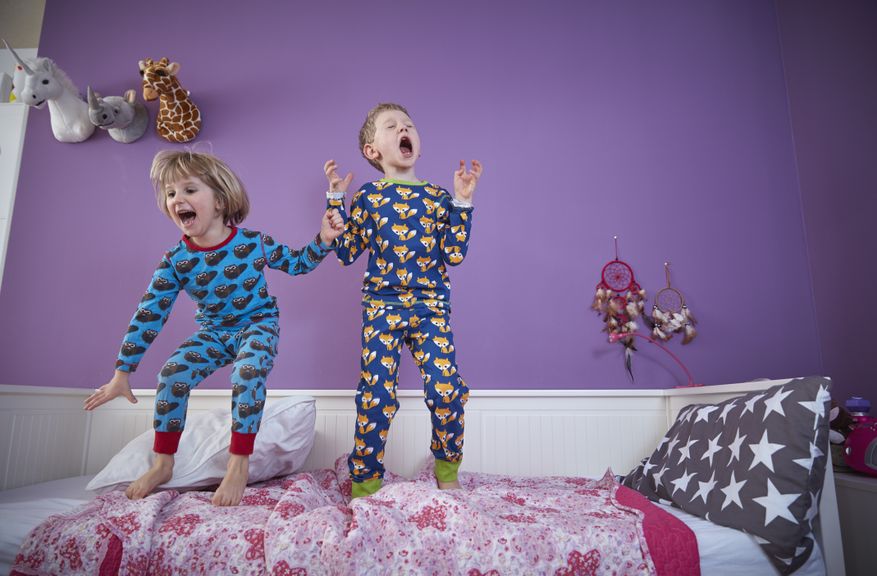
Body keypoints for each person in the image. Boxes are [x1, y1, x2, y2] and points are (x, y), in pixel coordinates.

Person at [84, 150, 344, 506]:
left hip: (258, 324)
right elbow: (149, 313)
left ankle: (238, 465)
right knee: (173, 374)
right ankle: (163, 464)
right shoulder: (176, 261)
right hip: (214, 332)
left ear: (220, 202)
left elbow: (298, 263)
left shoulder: (253, 243)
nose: (177, 200)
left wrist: (325, 239)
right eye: (171, 193)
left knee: (247, 372)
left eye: (189, 190)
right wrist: (122, 371)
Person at [324, 102, 482, 498]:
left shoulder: (437, 197)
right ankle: (365, 484)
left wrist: (463, 201)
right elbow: (345, 252)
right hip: (382, 307)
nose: (403, 129)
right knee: (376, 396)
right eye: (391, 126)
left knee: (447, 389)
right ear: (372, 151)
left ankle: (448, 472)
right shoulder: (369, 196)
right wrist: (334, 200)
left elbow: (456, 254)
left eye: (408, 125)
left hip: (430, 307)